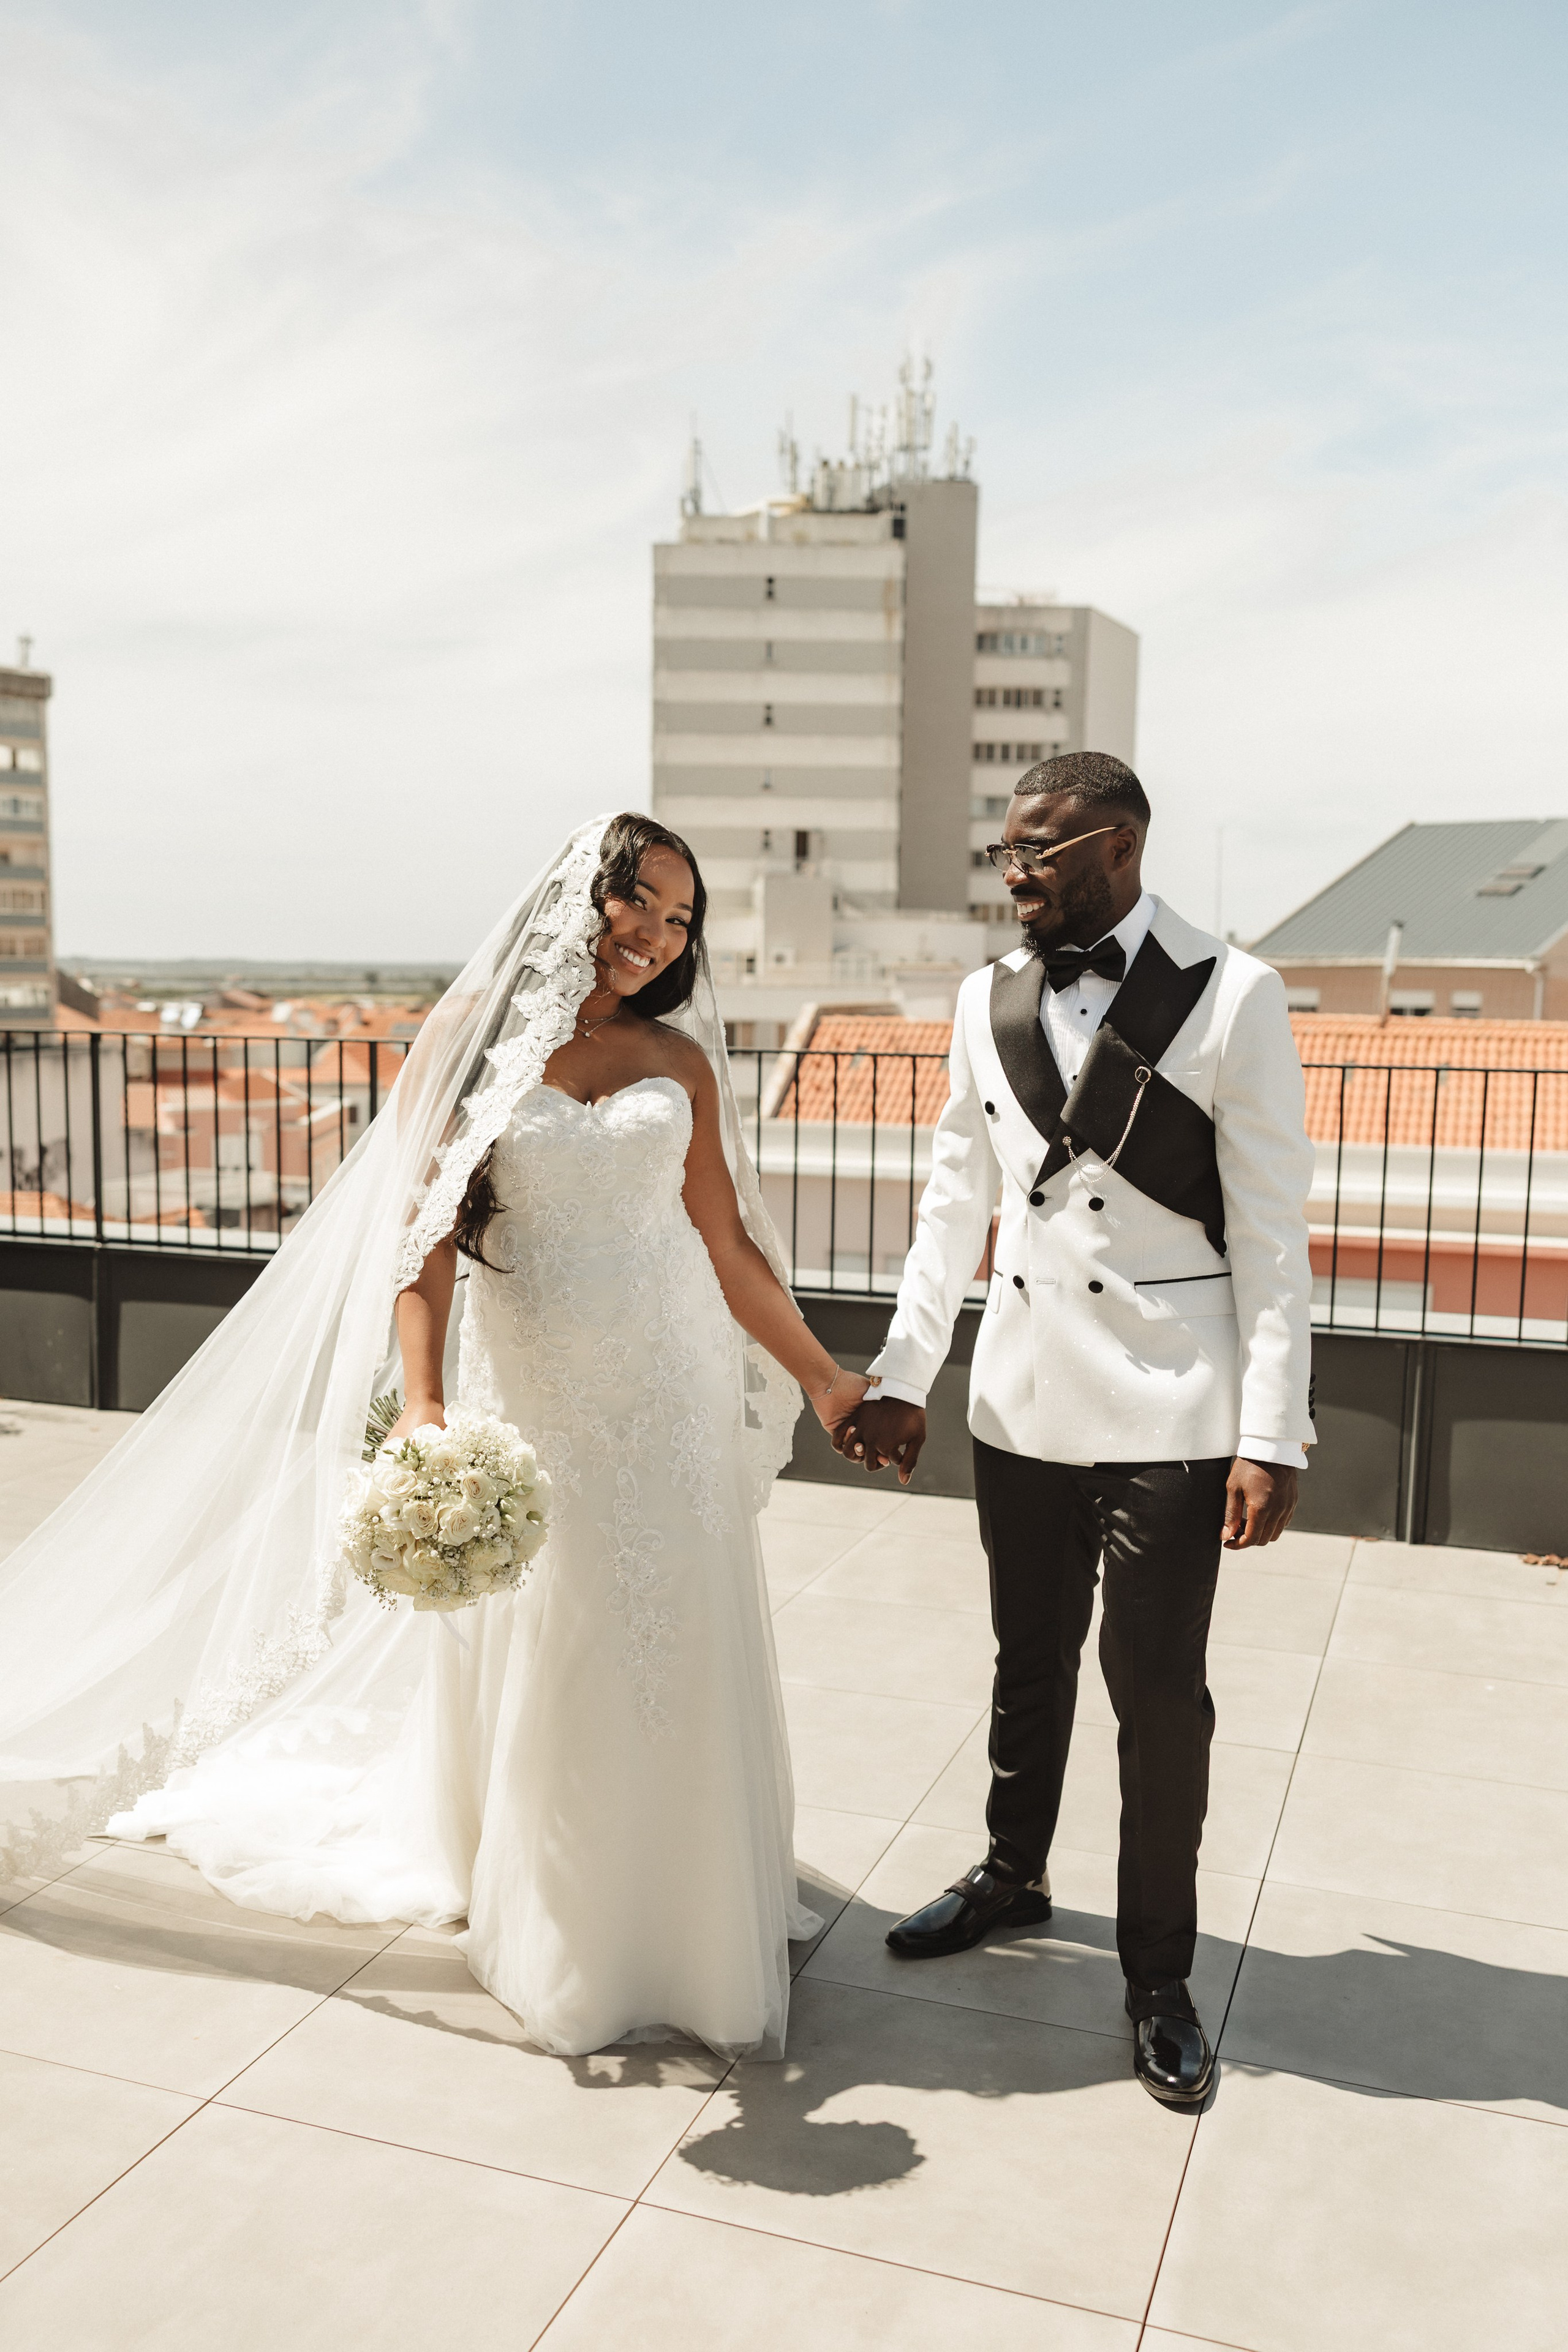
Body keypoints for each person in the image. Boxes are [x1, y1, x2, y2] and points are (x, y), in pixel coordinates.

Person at [0, 815, 872, 2061]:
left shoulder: (680, 1062)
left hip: (668, 1398)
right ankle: (571, 1926)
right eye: (640, 900)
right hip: (539, 1399)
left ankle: (694, 1914)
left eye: (680, 919)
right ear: (581, 896)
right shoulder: (472, 1055)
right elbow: (422, 1256)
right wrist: (422, 1411)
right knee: (566, 1643)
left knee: (676, 1631)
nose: (655, 934)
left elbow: (727, 1250)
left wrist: (825, 1378)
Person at [832, 752, 1313, 2109]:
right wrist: (905, 1371)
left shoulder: (1232, 993)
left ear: (1112, 845)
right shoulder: (982, 1000)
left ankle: (1159, 1976)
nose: (1011, 874)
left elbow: (1273, 1238)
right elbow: (950, 1201)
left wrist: (1270, 1433)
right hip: (1024, 1393)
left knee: (1156, 1694)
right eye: (1005, 852)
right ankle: (1010, 1873)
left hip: (1173, 1401)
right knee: (1025, 1658)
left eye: (1032, 852)